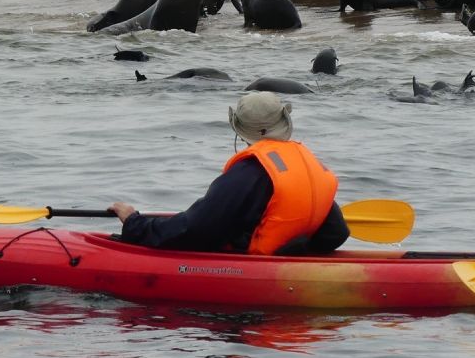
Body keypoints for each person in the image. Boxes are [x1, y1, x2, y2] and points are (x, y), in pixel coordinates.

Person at [107, 92, 349, 255]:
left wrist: (135, 224)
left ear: (240, 129)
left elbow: (197, 230)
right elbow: (336, 232)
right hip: (290, 263)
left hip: (257, 276)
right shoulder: (307, 163)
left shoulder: (251, 170)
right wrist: (297, 251)